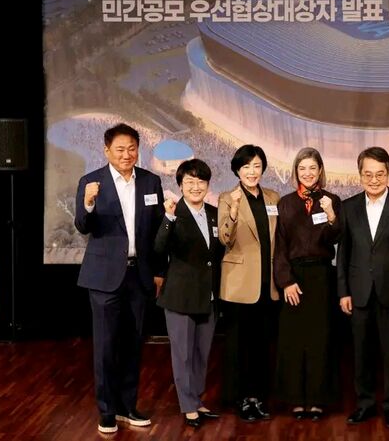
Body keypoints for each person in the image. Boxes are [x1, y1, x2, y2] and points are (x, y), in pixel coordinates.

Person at [74, 123, 164, 433]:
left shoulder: (151, 182)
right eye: (120, 149)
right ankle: (106, 411)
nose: (127, 154)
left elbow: (156, 232)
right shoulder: (91, 182)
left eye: (132, 149)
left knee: (133, 344)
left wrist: (158, 271)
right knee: (105, 346)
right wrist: (88, 202)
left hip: (138, 275)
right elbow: (83, 225)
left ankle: (128, 406)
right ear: (107, 151)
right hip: (103, 278)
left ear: (138, 150)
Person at [337, 146, 389, 429]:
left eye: (380, 174)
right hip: (359, 291)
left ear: (388, 173)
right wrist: (343, 291)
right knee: (361, 354)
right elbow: (344, 253)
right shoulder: (348, 207)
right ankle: (364, 404)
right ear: (360, 175)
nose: (374, 180)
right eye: (368, 174)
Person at [153, 159, 224, 428]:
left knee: (202, 354)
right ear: (180, 185)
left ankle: (197, 399)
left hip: (208, 296)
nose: (196, 187)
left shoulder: (215, 213)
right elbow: (158, 248)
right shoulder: (173, 213)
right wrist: (168, 218)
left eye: (201, 181)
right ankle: (187, 405)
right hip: (180, 296)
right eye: (190, 182)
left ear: (208, 185)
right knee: (183, 354)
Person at [273, 148, 342, 420]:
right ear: (296, 172)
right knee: (293, 339)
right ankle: (296, 399)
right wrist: (286, 281)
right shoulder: (286, 203)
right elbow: (280, 246)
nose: (308, 173)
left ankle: (316, 399)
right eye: (302, 168)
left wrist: (332, 215)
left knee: (320, 338)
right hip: (294, 277)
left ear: (320, 170)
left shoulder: (332, 200)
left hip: (322, 276)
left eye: (312, 168)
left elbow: (337, 238)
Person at [217, 145, 281, 422]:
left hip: (268, 284)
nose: (252, 172)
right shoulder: (227, 198)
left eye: (256, 166)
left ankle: (259, 398)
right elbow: (224, 238)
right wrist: (233, 211)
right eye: (246, 167)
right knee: (239, 347)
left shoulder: (273, 197)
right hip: (239, 284)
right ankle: (241, 399)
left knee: (262, 345)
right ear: (237, 170)